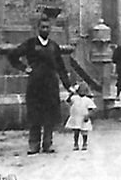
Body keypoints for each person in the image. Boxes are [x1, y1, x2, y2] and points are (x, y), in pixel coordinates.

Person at [8, 15, 71, 154]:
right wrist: (24, 68)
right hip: (35, 85)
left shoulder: (54, 46)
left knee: (50, 115)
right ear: (38, 28)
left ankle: (47, 144)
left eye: (47, 27)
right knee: (34, 114)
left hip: (50, 85)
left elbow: (61, 68)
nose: (45, 29)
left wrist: (68, 86)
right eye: (42, 27)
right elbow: (13, 56)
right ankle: (34, 144)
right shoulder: (30, 44)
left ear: (50, 29)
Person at [65, 83, 96, 151]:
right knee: (76, 131)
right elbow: (68, 101)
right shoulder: (74, 98)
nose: (82, 92)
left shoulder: (88, 100)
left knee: (84, 131)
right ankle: (76, 144)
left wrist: (88, 116)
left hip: (84, 118)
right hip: (76, 117)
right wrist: (71, 93)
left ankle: (84, 143)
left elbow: (92, 109)